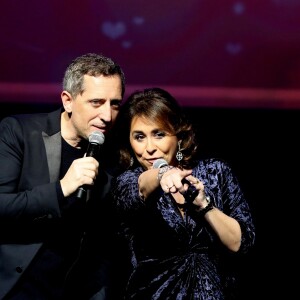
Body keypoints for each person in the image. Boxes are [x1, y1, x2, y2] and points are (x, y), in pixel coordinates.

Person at [0, 53, 125, 300]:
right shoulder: (20, 133)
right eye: (96, 102)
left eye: (115, 104)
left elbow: (102, 243)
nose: (107, 116)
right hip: (16, 287)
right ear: (68, 101)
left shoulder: (112, 157)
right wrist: (61, 188)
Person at [110, 87, 256, 299]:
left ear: (178, 135)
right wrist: (162, 174)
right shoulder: (127, 182)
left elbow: (240, 244)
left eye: (159, 134)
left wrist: (204, 205)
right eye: (139, 137)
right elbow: (140, 187)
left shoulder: (216, 172)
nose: (149, 147)